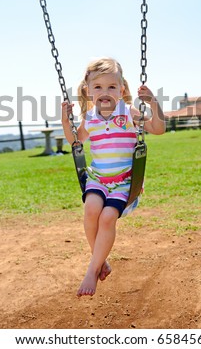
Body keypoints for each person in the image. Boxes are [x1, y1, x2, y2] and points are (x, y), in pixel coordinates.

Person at [61, 57, 165, 297]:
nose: (104, 92)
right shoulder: (89, 118)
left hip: (124, 182)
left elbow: (158, 129)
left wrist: (154, 103)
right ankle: (100, 260)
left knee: (107, 217)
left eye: (111, 87)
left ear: (122, 90)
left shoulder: (129, 112)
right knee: (91, 211)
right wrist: (66, 120)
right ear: (88, 92)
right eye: (98, 87)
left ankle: (92, 270)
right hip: (98, 179)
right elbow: (75, 140)